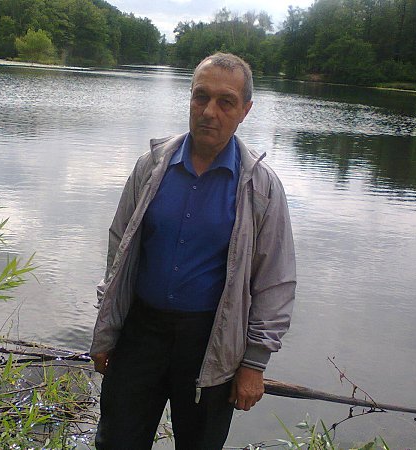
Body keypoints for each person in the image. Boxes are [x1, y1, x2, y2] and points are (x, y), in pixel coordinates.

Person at [90, 52, 296, 450]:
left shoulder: (260, 187)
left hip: (211, 342)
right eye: (201, 96)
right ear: (190, 98)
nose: (209, 111)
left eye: (226, 102)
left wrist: (254, 363)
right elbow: (118, 252)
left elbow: (275, 280)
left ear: (245, 111)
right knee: (116, 441)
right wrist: (107, 328)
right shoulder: (151, 167)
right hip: (139, 334)